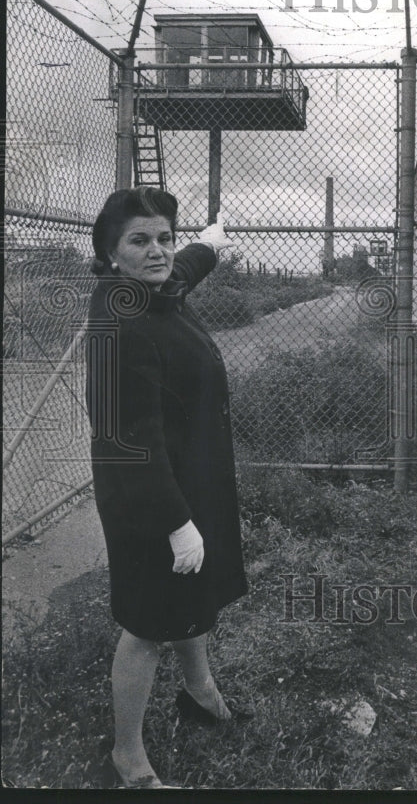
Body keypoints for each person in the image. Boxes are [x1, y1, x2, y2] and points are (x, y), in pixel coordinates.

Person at [85, 187, 248, 789]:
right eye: (139, 240)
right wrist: (176, 523)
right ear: (109, 254)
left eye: (163, 237)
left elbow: (181, 268)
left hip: (184, 477)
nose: (156, 251)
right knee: (147, 625)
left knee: (190, 597)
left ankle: (200, 693)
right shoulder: (120, 322)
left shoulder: (155, 289)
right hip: (147, 496)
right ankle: (128, 760)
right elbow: (129, 443)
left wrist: (208, 242)